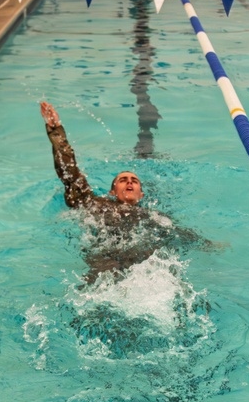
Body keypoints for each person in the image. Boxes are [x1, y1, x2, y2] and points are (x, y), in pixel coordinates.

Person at [40, 101, 210, 283]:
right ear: (113, 192)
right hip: (106, 260)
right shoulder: (96, 204)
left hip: (143, 262)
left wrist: (208, 245)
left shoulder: (154, 215)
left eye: (134, 181)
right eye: (123, 180)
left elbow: (181, 235)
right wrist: (56, 131)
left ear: (141, 194)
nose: (129, 182)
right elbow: (70, 173)